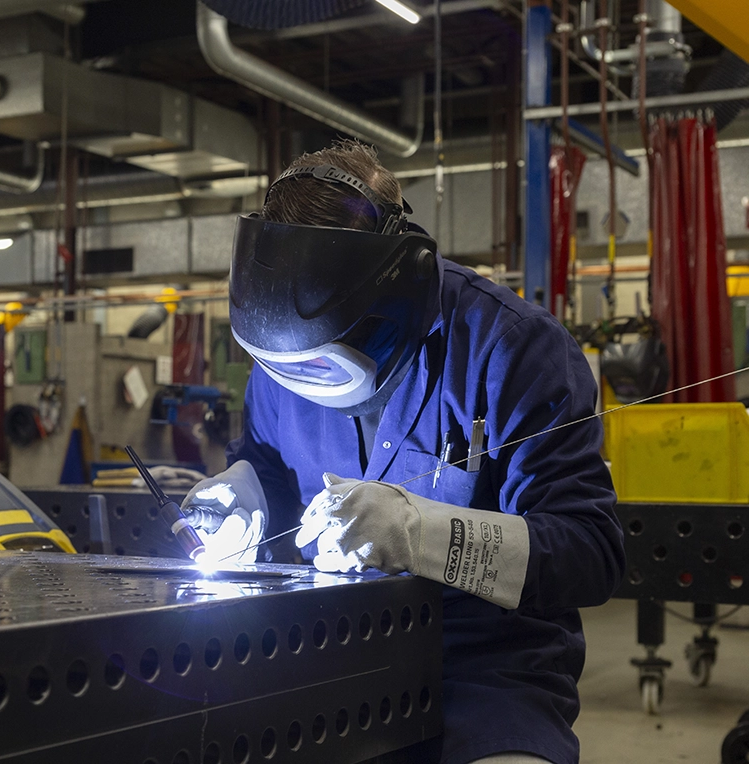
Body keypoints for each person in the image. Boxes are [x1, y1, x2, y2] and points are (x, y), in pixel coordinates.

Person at [184, 139, 625, 764]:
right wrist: (246, 487)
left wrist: (425, 536)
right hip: (322, 653)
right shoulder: (281, 352)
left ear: (402, 278)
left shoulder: (515, 349)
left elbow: (591, 553)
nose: (304, 379)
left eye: (325, 353)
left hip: (483, 670)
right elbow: (270, 461)